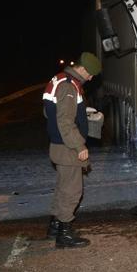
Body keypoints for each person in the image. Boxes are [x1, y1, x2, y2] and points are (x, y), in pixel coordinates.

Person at [42, 51, 102, 249]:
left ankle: (55, 226)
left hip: (59, 144)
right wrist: (79, 145)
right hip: (67, 147)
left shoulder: (59, 79)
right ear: (82, 69)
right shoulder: (68, 86)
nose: (91, 78)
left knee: (62, 187)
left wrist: (82, 113)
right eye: (90, 74)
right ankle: (64, 235)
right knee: (72, 191)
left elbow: (50, 111)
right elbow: (65, 121)